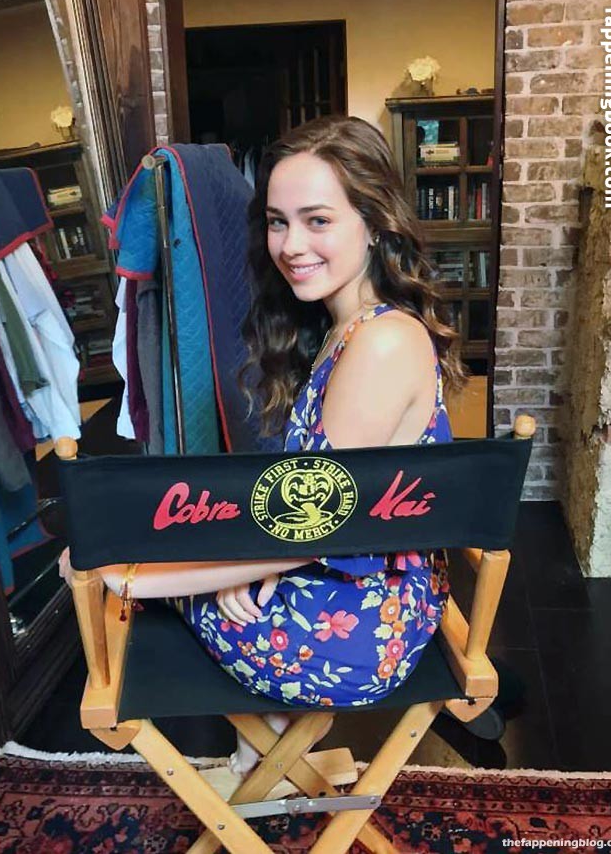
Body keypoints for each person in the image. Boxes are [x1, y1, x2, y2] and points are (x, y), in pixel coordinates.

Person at [59, 114, 464, 774]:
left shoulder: (383, 342)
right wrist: (245, 566)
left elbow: (308, 529)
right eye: (278, 221)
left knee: (114, 572)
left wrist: (130, 574)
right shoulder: (345, 328)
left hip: (358, 625)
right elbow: (308, 507)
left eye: (317, 220)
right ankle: (266, 759)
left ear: (374, 222)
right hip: (346, 582)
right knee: (151, 546)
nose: (291, 245)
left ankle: (263, 763)